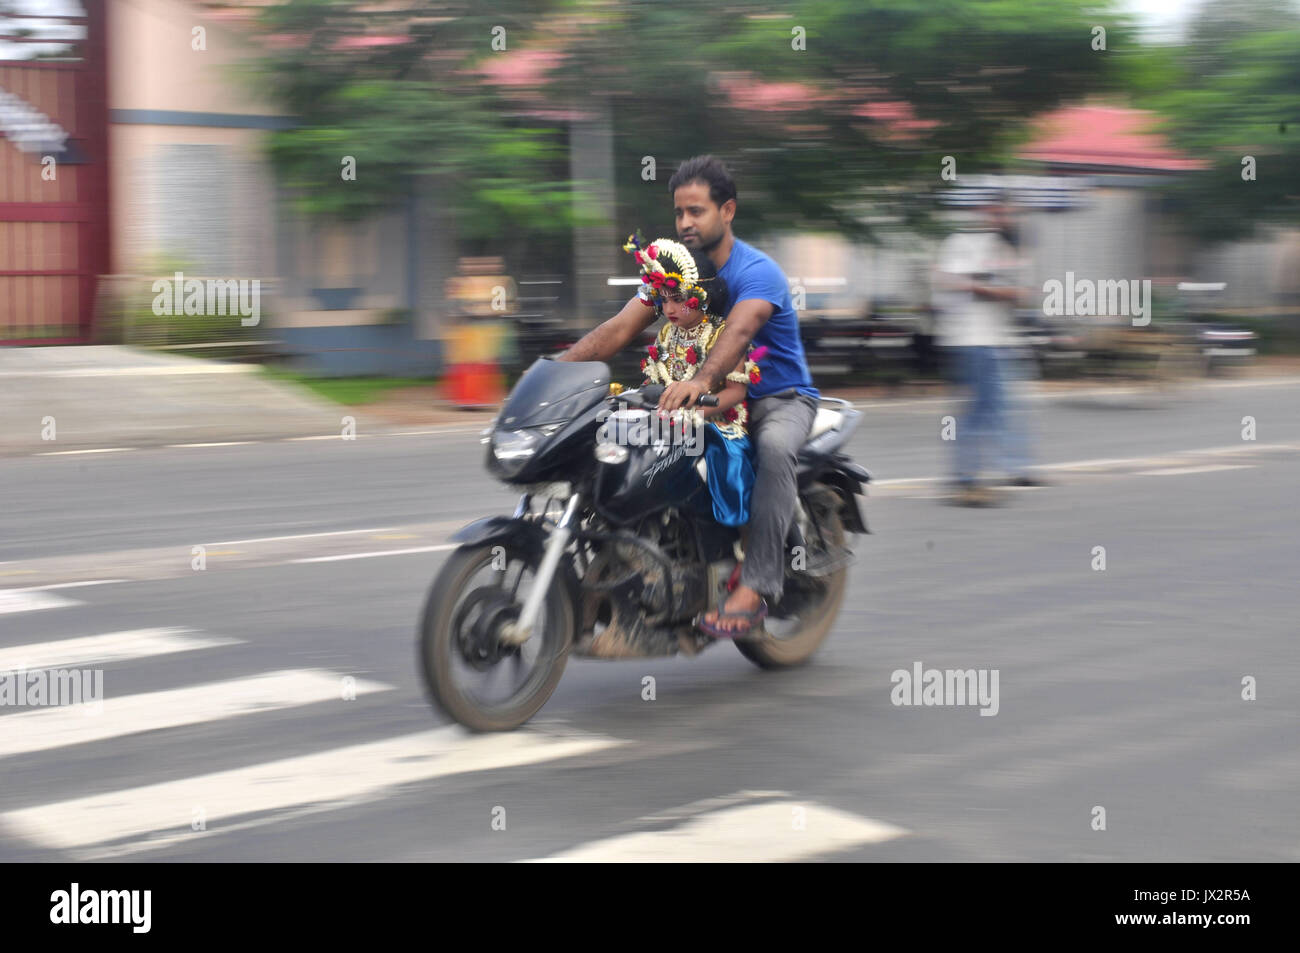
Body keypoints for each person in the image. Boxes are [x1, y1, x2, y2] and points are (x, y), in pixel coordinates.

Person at [560, 155, 818, 637]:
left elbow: (739, 332)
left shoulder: (756, 272)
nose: (685, 223)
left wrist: (701, 381)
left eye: (696, 211)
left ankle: (757, 584)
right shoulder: (674, 274)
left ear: (728, 211)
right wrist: (555, 370)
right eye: (679, 212)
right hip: (694, 398)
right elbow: (619, 328)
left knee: (774, 448)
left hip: (776, 398)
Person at [620, 234, 762, 526]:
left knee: (720, 455)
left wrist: (695, 417)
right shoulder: (665, 335)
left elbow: (736, 392)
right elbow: (653, 383)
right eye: (664, 300)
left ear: (702, 296)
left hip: (716, 425)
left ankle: (741, 536)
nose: (670, 309)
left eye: (679, 299)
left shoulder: (722, 335)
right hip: (670, 426)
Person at [932, 193, 1043, 506]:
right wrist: (998, 290)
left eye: (1008, 214)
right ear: (983, 213)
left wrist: (1006, 290)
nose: (1003, 219)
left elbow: (1022, 293)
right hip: (970, 339)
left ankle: (984, 475)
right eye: (997, 213)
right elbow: (953, 282)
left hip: (995, 340)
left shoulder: (1007, 248)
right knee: (977, 412)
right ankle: (965, 482)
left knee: (994, 410)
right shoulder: (964, 243)